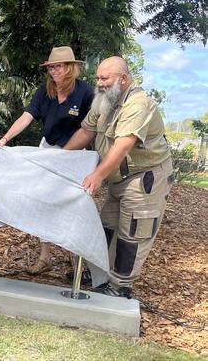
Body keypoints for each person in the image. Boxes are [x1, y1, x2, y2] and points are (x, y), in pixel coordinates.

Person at [64, 56, 173, 298]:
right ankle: (97, 272)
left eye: (105, 78)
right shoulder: (105, 101)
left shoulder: (138, 103)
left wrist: (97, 175)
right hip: (119, 178)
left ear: (123, 79)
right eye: (98, 78)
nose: (100, 83)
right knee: (106, 226)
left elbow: (124, 144)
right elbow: (86, 131)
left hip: (144, 177)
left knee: (133, 233)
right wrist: (60, 156)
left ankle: (120, 285)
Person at [0, 46, 94, 275]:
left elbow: (92, 128)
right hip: (48, 150)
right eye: (51, 67)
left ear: (70, 68)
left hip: (74, 154)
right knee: (41, 201)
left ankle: (75, 257)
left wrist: (68, 153)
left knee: (73, 203)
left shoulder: (85, 93)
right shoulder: (44, 91)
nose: (54, 71)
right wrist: (5, 138)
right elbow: (26, 117)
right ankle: (45, 255)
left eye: (58, 67)